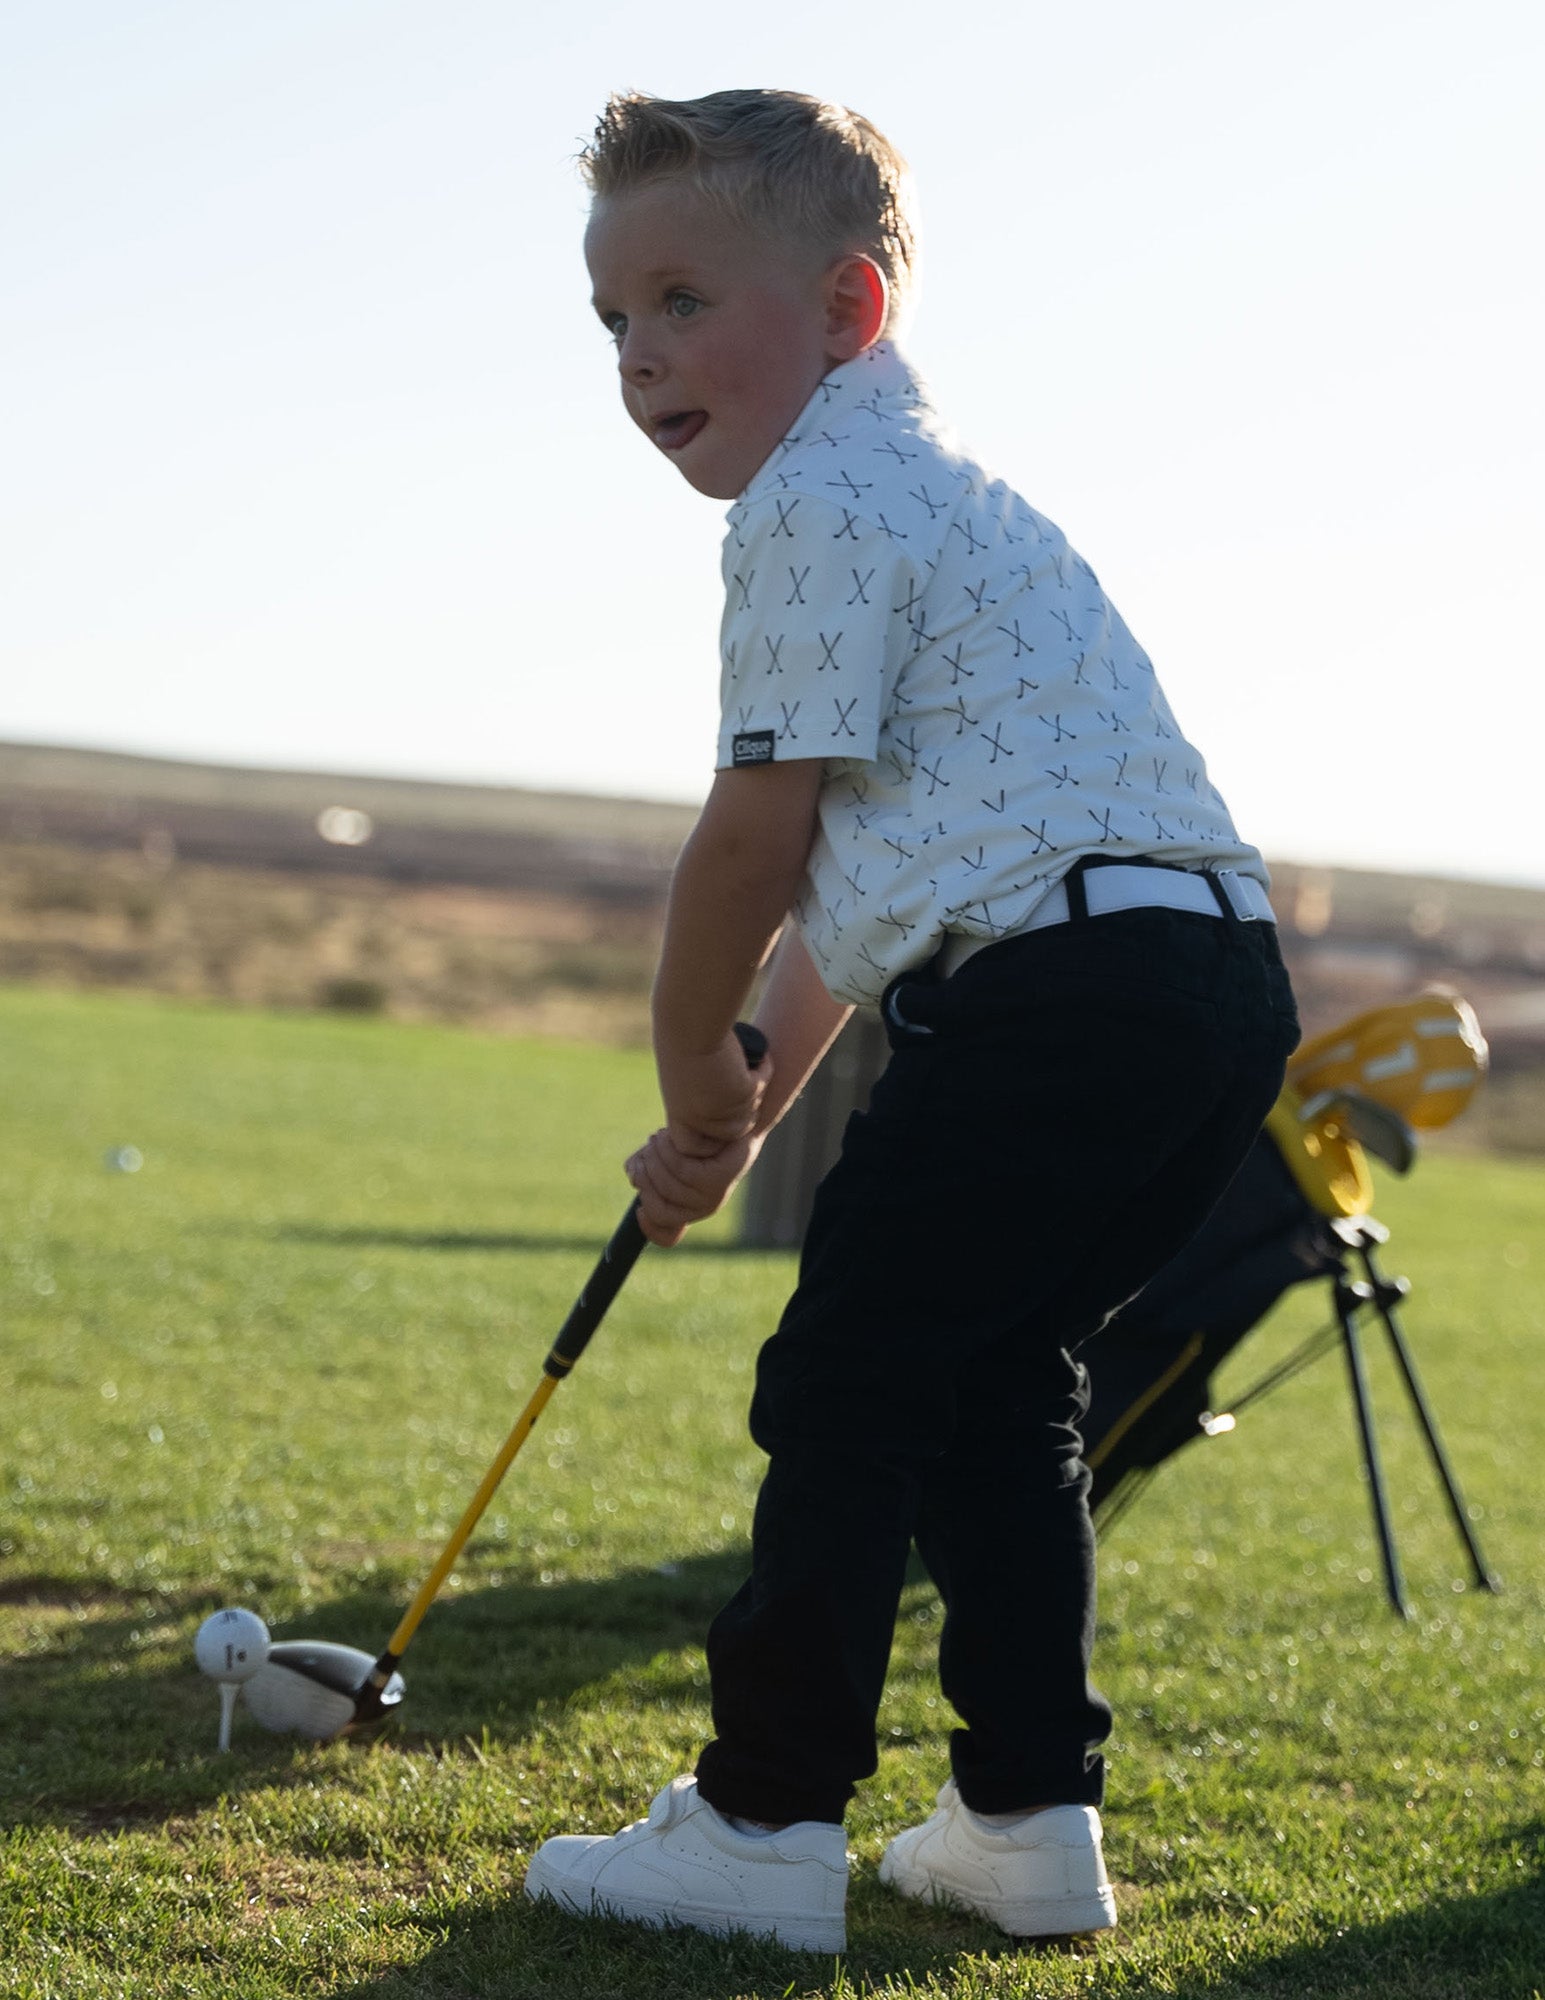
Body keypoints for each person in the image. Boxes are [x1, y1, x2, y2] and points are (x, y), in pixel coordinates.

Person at [524, 88, 1300, 1954]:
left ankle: (762, 1826)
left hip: (1059, 994)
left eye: (687, 301)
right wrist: (739, 1116)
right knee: (991, 1390)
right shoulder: (935, 491)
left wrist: (679, 1062)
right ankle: (1024, 1827)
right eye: (613, 318)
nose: (640, 356)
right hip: (1196, 988)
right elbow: (861, 911)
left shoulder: (818, 498)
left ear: (851, 310)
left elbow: (749, 845)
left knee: (851, 1385)